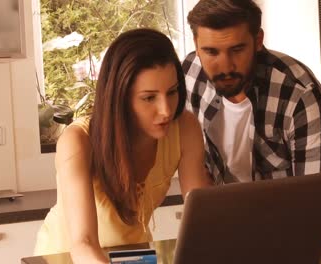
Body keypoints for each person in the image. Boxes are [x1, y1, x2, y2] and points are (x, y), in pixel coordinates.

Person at [34, 28, 212, 263]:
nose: (166, 110)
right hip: (66, 257)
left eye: (172, 92)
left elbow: (201, 222)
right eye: (149, 98)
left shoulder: (185, 128)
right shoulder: (78, 140)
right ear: (120, 97)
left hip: (133, 254)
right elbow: (84, 243)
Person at [183, 0, 321, 184]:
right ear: (196, 44)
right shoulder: (188, 75)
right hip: (217, 209)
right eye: (211, 52)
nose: (225, 67)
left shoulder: (298, 93)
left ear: (258, 40)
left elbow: (317, 194)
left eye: (237, 49)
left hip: (286, 211)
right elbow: (194, 165)